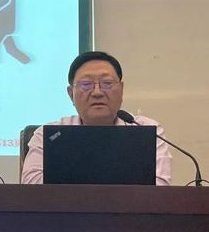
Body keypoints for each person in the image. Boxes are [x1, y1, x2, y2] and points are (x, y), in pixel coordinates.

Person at [21, 51, 171, 185]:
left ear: (121, 90)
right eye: (86, 84)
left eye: (107, 83)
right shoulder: (49, 134)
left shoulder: (146, 130)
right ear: (71, 94)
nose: (97, 92)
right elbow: (32, 187)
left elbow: (160, 187)